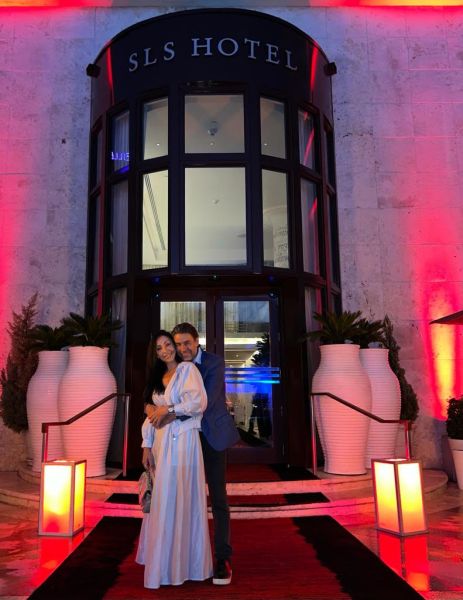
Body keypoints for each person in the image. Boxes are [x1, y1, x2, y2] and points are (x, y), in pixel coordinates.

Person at [135, 330, 213, 589]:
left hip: (183, 442)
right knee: (163, 500)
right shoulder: (157, 378)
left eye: (168, 344)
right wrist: (146, 445)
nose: (165, 351)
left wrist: (168, 409)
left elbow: (198, 403)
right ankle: (162, 563)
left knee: (180, 497)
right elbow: (150, 415)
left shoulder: (187, 370)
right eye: (159, 348)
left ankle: (183, 565)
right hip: (160, 444)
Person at [172, 322, 240, 585]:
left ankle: (223, 558)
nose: (183, 349)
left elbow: (204, 402)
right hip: (186, 437)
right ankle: (188, 556)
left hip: (212, 437)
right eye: (178, 344)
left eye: (186, 343)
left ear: (196, 340)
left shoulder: (214, 363)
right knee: (186, 496)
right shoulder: (175, 365)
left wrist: (168, 412)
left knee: (218, 498)